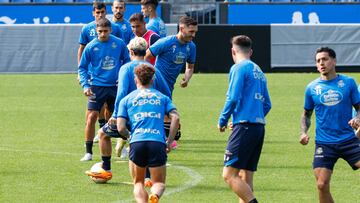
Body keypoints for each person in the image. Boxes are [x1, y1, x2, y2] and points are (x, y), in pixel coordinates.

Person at [85, 37, 171, 182]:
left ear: (130, 51)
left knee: (103, 134)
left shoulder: (126, 68)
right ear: (145, 51)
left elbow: (122, 92)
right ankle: (148, 177)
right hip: (148, 116)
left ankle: (106, 169)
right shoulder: (153, 69)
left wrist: (116, 115)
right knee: (145, 141)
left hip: (130, 114)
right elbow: (166, 92)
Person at [300, 47, 360, 203]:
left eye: (325, 59)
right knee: (321, 184)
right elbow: (306, 114)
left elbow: (359, 108)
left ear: (334, 61)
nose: (321, 63)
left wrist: (358, 118)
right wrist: (303, 132)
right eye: (318, 61)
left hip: (349, 140)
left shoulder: (348, 83)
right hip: (324, 144)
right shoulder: (311, 88)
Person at [218, 35, 271, 203]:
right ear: (251, 51)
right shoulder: (259, 71)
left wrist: (223, 119)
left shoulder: (239, 68)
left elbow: (233, 98)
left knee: (229, 175)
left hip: (245, 128)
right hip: (258, 127)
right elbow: (267, 104)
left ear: (233, 51)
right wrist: (251, 115)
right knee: (245, 176)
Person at [118, 64, 179, 203]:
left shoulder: (127, 99)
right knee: (158, 183)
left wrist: (130, 137)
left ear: (136, 79)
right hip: (157, 142)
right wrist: (169, 141)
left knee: (138, 183)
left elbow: (120, 127)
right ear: (153, 79)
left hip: (137, 142)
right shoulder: (162, 98)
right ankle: (155, 196)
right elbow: (175, 117)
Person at [78, 18, 130, 162]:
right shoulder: (90, 46)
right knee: (91, 118)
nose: (102, 34)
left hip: (115, 86)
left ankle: (123, 147)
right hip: (97, 86)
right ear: (96, 31)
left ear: (110, 30)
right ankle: (88, 152)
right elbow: (82, 68)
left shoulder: (119, 43)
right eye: (100, 31)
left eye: (105, 31)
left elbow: (127, 61)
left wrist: (123, 76)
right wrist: (85, 85)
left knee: (118, 118)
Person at [77, 2, 124, 145]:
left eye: (102, 12)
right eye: (97, 12)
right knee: (93, 111)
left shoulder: (115, 29)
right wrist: (80, 72)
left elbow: (122, 52)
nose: (100, 15)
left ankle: (106, 133)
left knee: (111, 110)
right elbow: (82, 49)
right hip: (94, 75)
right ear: (93, 13)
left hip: (111, 76)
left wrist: (122, 75)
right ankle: (95, 137)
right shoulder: (86, 29)